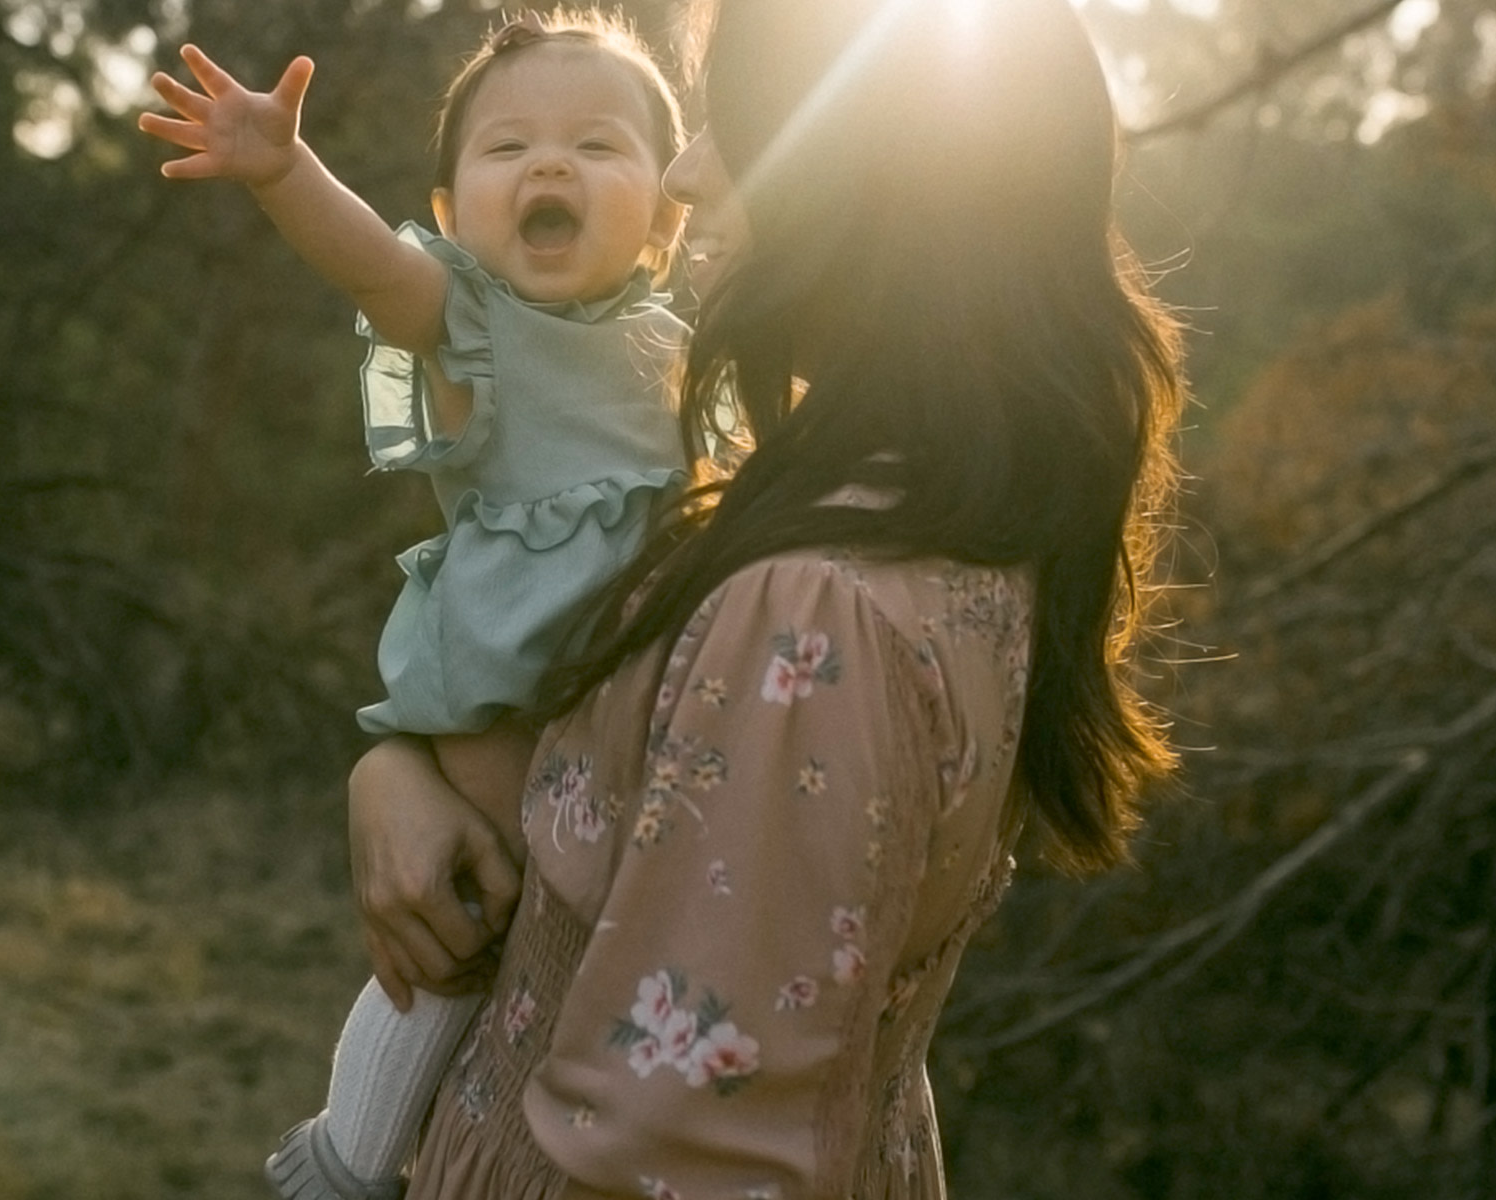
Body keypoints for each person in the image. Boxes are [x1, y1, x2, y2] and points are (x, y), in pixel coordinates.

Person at [344, 0, 1190, 1195]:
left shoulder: (811, 611)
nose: (685, 170)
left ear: (856, 186)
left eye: (727, 127)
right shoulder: (924, 510)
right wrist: (396, 770)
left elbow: (685, 1151)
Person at [139, 11, 693, 1198]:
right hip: (508, 690)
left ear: (669, 212)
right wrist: (287, 171)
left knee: (583, 969)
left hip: (639, 704)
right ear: (450, 217)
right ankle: (347, 1160)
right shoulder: (473, 323)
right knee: (461, 942)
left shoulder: (687, 350)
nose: (550, 167)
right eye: (508, 151)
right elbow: (372, 266)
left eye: (599, 146)